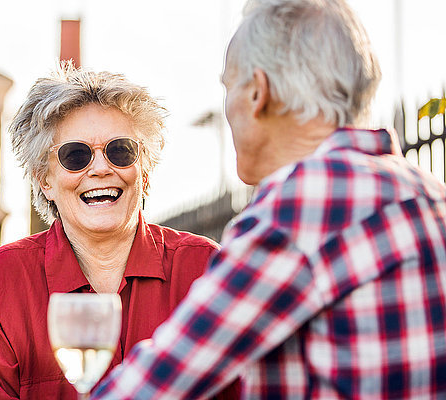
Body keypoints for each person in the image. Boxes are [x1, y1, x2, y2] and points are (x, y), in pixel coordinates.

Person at [90, 0, 446, 398]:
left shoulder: (303, 206)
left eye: (228, 87)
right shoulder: (429, 194)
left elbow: (156, 385)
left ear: (258, 92)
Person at [0, 64, 240, 399]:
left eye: (121, 151)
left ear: (144, 172)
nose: (101, 168)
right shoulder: (4, 277)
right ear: (45, 181)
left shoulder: (204, 269)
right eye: (76, 156)